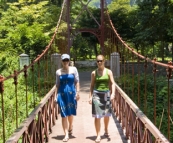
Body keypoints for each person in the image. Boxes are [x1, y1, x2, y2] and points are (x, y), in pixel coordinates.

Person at [89, 54, 115, 143]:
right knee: (97, 116)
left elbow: (113, 83)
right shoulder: (93, 73)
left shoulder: (109, 72)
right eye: (98, 61)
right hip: (97, 94)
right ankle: (98, 135)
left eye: (101, 61)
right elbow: (92, 86)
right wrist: (90, 97)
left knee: (106, 115)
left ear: (104, 61)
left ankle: (106, 129)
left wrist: (113, 93)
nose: (99, 62)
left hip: (106, 94)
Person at [56, 53, 80, 142]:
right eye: (64, 60)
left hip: (71, 94)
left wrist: (78, 92)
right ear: (61, 61)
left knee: (70, 114)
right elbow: (57, 84)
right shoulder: (58, 72)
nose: (65, 62)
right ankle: (66, 134)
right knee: (63, 114)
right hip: (61, 95)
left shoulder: (74, 69)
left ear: (69, 60)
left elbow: (77, 81)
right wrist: (56, 96)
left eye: (67, 60)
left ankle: (70, 126)